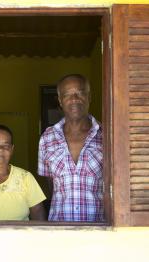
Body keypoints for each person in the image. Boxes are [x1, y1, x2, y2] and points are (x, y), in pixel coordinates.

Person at [38, 74, 104, 222]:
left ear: (89, 97)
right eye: (67, 94)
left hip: (99, 230)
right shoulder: (47, 139)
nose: (74, 98)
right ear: (60, 101)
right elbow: (51, 184)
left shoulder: (107, 137)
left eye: (80, 92)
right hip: (59, 231)